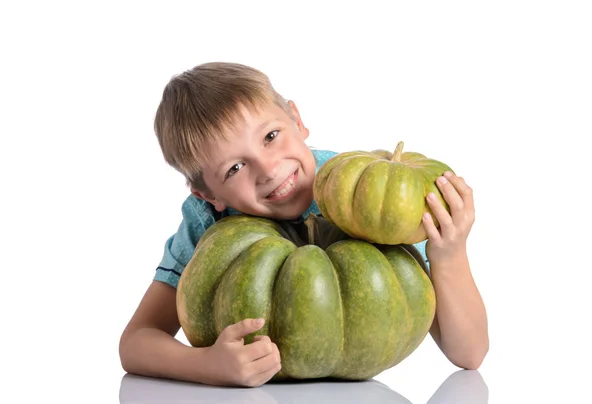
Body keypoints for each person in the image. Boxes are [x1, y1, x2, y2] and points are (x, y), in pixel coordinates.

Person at [118, 62, 489, 388]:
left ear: (297, 120)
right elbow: (136, 342)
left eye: (270, 136)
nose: (268, 169)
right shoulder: (207, 222)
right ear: (206, 194)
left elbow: (469, 355)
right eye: (234, 168)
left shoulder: (364, 195)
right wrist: (207, 366)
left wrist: (449, 254)